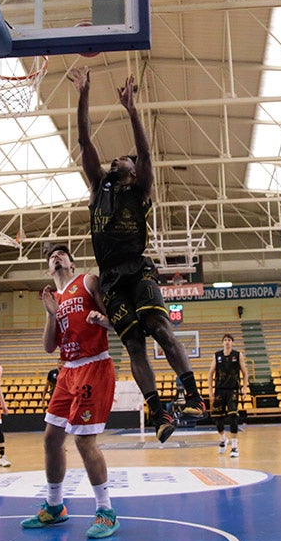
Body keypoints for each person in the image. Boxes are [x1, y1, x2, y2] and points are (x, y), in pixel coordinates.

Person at [69, 66, 205, 443]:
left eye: (123, 160)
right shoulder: (98, 187)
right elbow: (84, 141)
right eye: (114, 160)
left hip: (138, 269)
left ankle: (193, 396)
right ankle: (158, 411)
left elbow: (144, 152)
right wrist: (84, 93)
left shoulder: (140, 186)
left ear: (133, 169)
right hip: (110, 276)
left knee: (160, 328)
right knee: (132, 343)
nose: (116, 160)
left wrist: (132, 110)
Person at [21, 244, 119, 538]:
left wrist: (103, 321)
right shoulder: (54, 298)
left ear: (72, 265)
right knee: (51, 439)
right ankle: (55, 507)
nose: (56, 256)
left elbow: (117, 321)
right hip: (67, 370)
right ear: (49, 269)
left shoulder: (87, 281)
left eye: (62, 253)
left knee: (84, 441)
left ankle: (106, 511)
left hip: (94, 364)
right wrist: (51, 315)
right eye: (51, 256)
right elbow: (50, 346)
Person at [208, 334, 249, 458]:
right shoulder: (217, 355)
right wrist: (210, 390)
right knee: (218, 419)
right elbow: (210, 374)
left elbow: (245, 373)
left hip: (233, 390)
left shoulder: (238, 355)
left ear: (233, 343)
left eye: (229, 340)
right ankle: (223, 439)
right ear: (222, 343)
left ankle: (235, 447)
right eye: (225, 340)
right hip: (219, 390)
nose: (227, 342)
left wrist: (245, 387)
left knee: (233, 417)